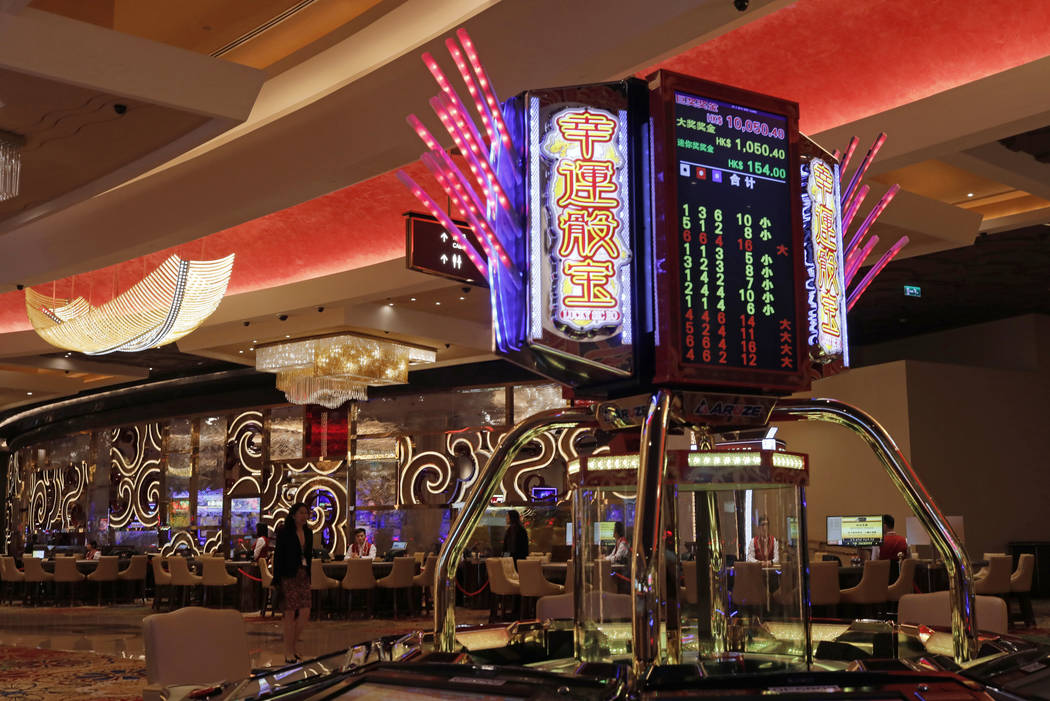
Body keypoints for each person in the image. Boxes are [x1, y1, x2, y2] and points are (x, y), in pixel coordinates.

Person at [273, 503, 312, 664]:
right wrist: (276, 579)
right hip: (288, 575)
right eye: (301, 512)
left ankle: (292, 645)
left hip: (303, 575)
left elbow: (308, 555)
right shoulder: (284, 532)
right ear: (293, 515)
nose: (304, 515)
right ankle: (288, 650)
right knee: (289, 613)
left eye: (306, 513)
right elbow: (278, 556)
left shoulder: (309, 532)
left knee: (305, 611)